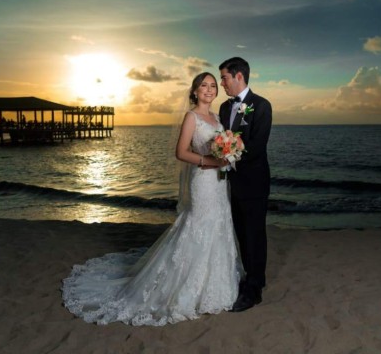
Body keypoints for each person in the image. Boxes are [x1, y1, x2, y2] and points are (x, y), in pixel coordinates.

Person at [61, 72, 242, 326]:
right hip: (202, 180)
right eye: (204, 86)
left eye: (213, 86)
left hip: (219, 183)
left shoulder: (217, 117)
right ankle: (187, 288)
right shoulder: (191, 117)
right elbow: (181, 152)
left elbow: (224, 146)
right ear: (195, 91)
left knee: (219, 225)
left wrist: (229, 153)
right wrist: (208, 161)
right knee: (199, 225)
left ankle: (216, 286)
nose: (209, 90)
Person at [219, 57, 272, 312]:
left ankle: (254, 288)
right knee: (240, 232)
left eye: (225, 78)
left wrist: (229, 152)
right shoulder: (223, 107)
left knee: (255, 234)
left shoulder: (261, 106)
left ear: (239, 76)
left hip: (254, 183)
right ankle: (249, 277)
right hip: (231, 184)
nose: (222, 83)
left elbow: (258, 147)